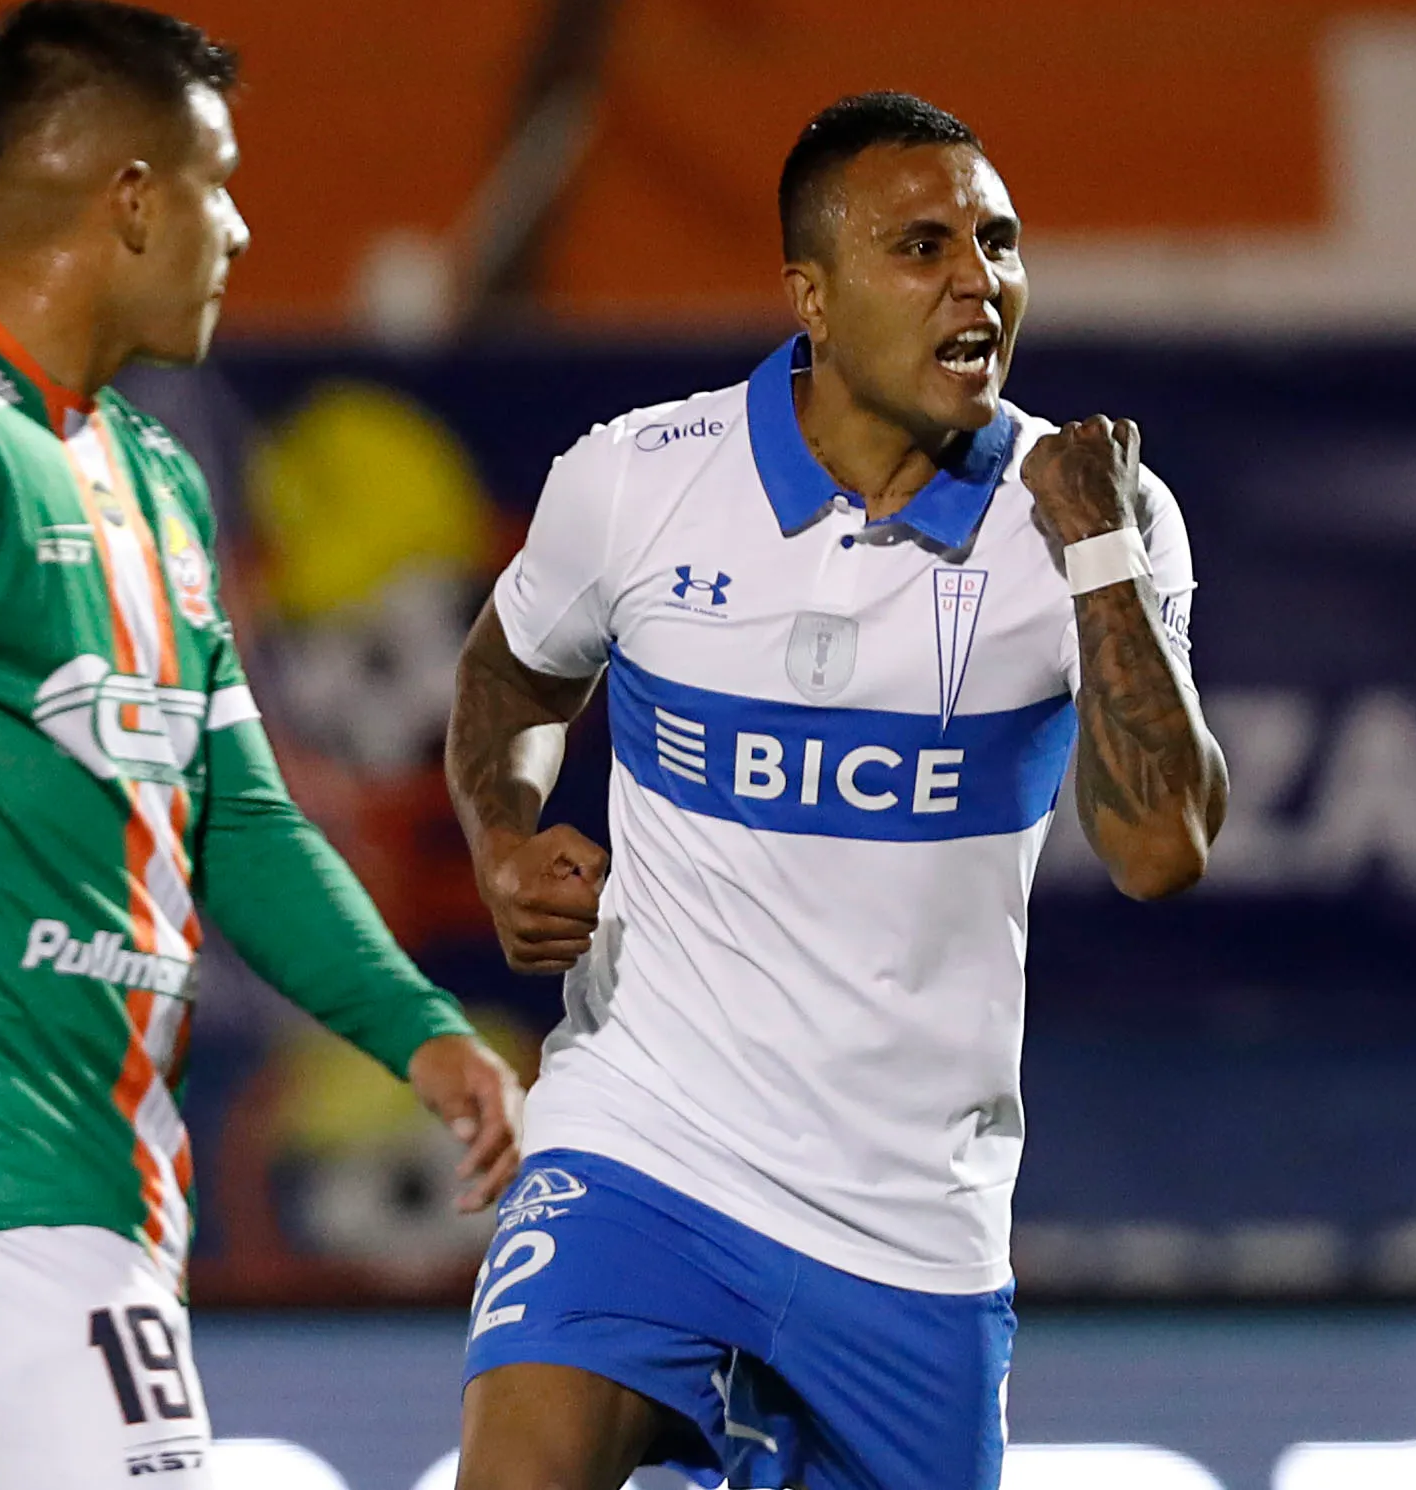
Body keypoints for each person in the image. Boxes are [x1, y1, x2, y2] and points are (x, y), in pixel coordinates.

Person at [0, 0, 522, 1488]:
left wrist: (420, 1029)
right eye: (219, 183)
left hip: (99, 1188)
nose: (243, 230)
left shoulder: (150, 472)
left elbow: (242, 820)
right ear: (132, 200)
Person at [443, 92, 1225, 1490]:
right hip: (644, 1145)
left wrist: (1098, 547)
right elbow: (510, 675)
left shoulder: (1089, 517)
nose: (978, 280)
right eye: (922, 246)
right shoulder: (636, 481)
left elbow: (1162, 848)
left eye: (997, 241)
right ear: (810, 293)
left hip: (907, 1231)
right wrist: (506, 830)